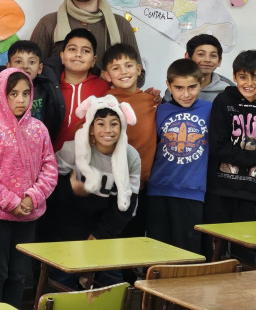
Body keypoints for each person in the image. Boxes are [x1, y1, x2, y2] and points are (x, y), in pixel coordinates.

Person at [0, 69, 58, 306]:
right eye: (13, 94)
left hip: (28, 215)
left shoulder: (39, 129)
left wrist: (32, 198)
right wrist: (12, 202)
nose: (20, 100)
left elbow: (50, 169)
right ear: (1, 95)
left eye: (25, 93)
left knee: (18, 275)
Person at [53, 94, 141, 288]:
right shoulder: (73, 149)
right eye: (100, 124)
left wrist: (101, 234)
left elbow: (129, 202)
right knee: (63, 281)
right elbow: (51, 186)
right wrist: (71, 189)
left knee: (112, 282)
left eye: (114, 124)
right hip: (69, 227)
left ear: (123, 126)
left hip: (106, 229)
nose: (107, 130)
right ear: (91, 128)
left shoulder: (131, 156)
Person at [206, 50, 256, 260]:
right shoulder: (224, 101)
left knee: (245, 259)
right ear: (234, 77)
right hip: (220, 191)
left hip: (254, 195)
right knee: (213, 255)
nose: (249, 83)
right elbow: (218, 147)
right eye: (243, 77)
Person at [30, 0, 143, 85]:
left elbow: (139, 78)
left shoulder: (121, 25)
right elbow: (30, 74)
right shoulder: (49, 23)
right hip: (59, 104)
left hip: (108, 103)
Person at [146, 59, 211, 255]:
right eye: (179, 88)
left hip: (192, 192)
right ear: (168, 85)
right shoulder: (159, 110)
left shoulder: (210, 110)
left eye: (192, 87)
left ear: (201, 83)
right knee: (157, 251)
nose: (186, 94)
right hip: (158, 191)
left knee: (188, 252)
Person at [102, 43, 157, 255]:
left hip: (142, 187)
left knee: (133, 245)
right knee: (110, 246)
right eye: (116, 68)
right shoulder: (104, 102)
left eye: (128, 65)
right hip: (111, 187)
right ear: (107, 75)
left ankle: (132, 287)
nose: (123, 72)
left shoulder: (151, 100)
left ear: (139, 68)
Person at [0, 41, 64, 141]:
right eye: (19, 62)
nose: (25, 66)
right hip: (6, 144)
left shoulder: (46, 87)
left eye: (31, 62)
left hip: (37, 143)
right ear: (8, 66)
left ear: (40, 68)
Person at [51, 28, 109, 153]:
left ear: (94, 61)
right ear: (62, 56)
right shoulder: (50, 87)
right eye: (72, 49)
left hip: (90, 163)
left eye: (85, 51)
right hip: (50, 163)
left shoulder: (105, 88)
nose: (78, 54)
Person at [162, 34, 233, 103]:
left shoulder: (228, 89)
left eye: (213, 56)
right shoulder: (177, 86)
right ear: (188, 57)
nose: (207, 60)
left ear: (219, 61)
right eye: (201, 54)